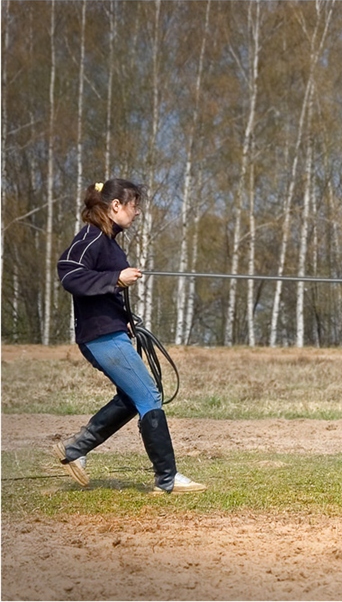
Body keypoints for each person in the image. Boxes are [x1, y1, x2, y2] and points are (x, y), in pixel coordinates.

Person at [54, 179, 206, 495]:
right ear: (115, 206)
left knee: (131, 396)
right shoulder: (90, 237)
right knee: (149, 395)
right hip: (101, 336)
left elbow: (101, 286)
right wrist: (116, 278)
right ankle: (167, 478)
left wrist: (123, 316)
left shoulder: (108, 241)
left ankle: (74, 451)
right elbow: (68, 272)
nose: (136, 213)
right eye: (134, 206)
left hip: (112, 333)